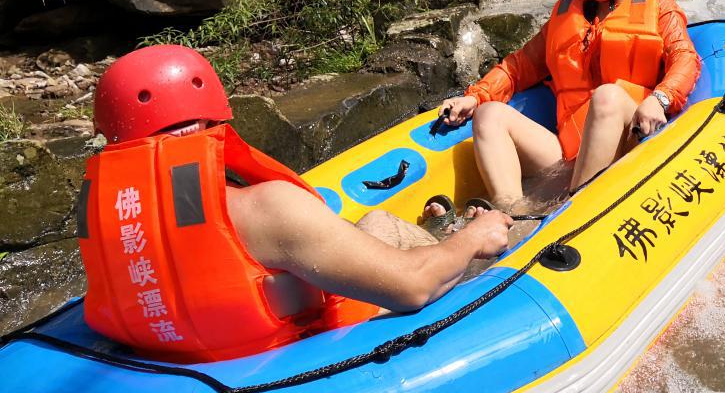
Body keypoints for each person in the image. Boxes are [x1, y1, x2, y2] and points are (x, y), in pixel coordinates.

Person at [78, 45, 511, 362]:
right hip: (307, 352)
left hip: (188, 364)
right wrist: (477, 237)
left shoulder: (102, 216)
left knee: (377, 219)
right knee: (462, 237)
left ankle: (442, 230)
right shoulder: (267, 209)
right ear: (210, 119)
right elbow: (414, 287)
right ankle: (463, 229)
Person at [438, 0, 701, 213]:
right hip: (567, 150)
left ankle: (573, 215)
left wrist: (659, 99)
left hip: (627, 138)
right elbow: (520, 65)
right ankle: (512, 217)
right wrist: (476, 95)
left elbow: (686, 59)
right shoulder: (568, 13)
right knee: (489, 115)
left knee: (608, 96)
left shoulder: (661, 9)